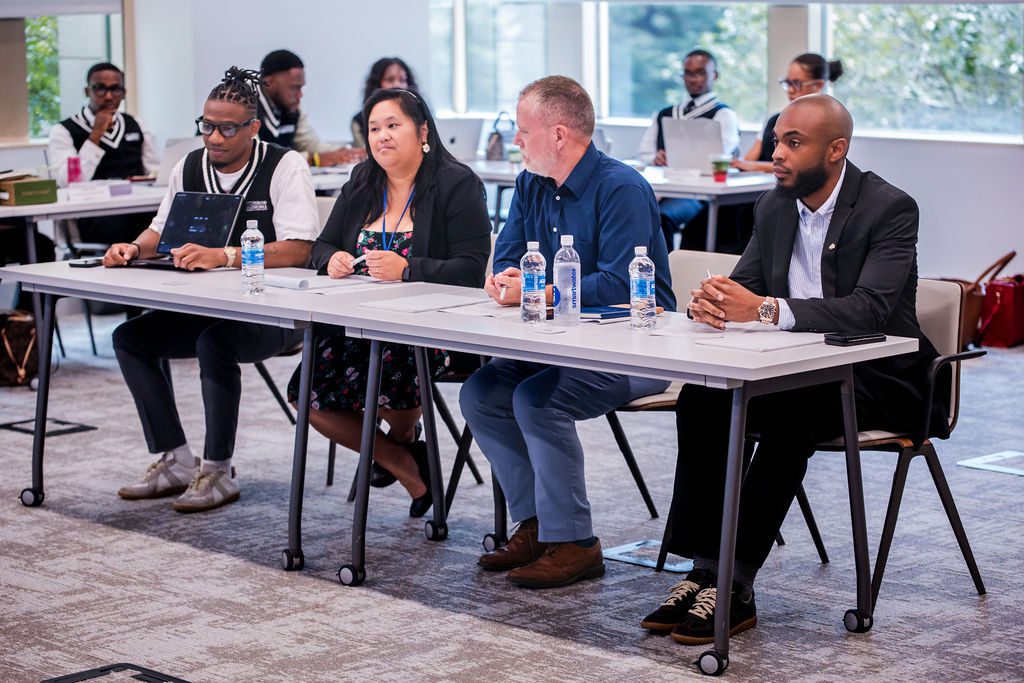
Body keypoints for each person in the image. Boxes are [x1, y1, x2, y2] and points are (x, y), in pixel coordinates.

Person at [640, 94, 949, 645]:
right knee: (704, 397)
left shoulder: (889, 207)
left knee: (792, 410)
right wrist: (714, 301)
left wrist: (763, 310)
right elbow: (746, 284)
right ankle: (704, 569)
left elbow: (871, 310)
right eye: (777, 140)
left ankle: (736, 582)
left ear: (836, 150)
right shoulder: (773, 205)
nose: (777, 153)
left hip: (880, 376)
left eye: (793, 143)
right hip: (795, 365)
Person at [459, 76, 677, 589]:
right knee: (481, 393)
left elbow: (621, 282)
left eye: (523, 130)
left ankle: (576, 541)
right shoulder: (530, 182)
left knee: (537, 400)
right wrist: (506, 281)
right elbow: (510, 255)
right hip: (555, 341)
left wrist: (542, 291)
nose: (516, 140)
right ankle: (537, 525)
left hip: (637, 346)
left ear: (558, 134)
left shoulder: (622, 188)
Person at [103, 67, 320, 513]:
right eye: (206, 126)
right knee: (130, 338)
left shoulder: (284, 166)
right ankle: (177, 460)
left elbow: (300, 249)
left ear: (253, 128)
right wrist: (133, 247)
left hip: (274, 311)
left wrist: (224, 255)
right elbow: (160, 229)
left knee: (215, 343)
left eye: (227, 129)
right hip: (206, 305)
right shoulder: (189, 165)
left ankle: (218, 469)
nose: (214, 138)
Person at [286, 88, 490, 518]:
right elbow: (320, 246)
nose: (382, 136)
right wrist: (332, 260)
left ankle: (400, 446)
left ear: (423, 131)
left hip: (431, 328)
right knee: (306, 395)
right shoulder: (363, 181)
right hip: (355, 322)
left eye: (393, 126)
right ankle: (402, 459)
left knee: (394, 359)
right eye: (375, 128)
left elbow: (471, 271)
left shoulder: (457, 184)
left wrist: (408, 269)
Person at [637, 49, 740, 251]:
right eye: (688, 73)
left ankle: (666, 268)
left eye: (700, 73)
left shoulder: (723, 115)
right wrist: (656, 157)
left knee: (663, 217)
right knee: (638, 213)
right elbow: (644, 153)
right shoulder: (665, 113)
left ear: (714, 75)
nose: (693, 79)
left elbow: (723, 154)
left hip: (699, 193)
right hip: (667, 186)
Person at [48, 62, 160, 244]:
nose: (108, 96)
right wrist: (96, 135)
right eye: (100, 89)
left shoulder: (135, 123)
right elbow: (68, 181)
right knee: (137, 229)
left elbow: (153, 171)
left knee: (170, 222)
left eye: (115, 89)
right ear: (87, 91)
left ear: (124, 93)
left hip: (137, 207)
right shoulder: (64, 130)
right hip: (95, 214)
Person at [733, 54, 844, 173]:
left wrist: (755, 166)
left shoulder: (826, 125)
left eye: (797, 83)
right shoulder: (774, 121)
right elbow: (748, 161)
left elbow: (803, 167)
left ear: (818, 85)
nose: (790, 90)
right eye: (788, 83)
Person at [257, 49, 363, 167]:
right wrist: (312, 159)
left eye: (301, 87)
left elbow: (308, 143)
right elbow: (255, 156)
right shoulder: (246, 104)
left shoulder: (292, 107)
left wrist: (343, 152)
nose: (300, 95)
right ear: (270, 82)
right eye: (294, 88)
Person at [350, 58, 419, 148]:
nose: (397, 85)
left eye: (402, 80)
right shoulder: (359, 122)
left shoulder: (418, 114)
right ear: (377, 85)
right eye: (390, 80)